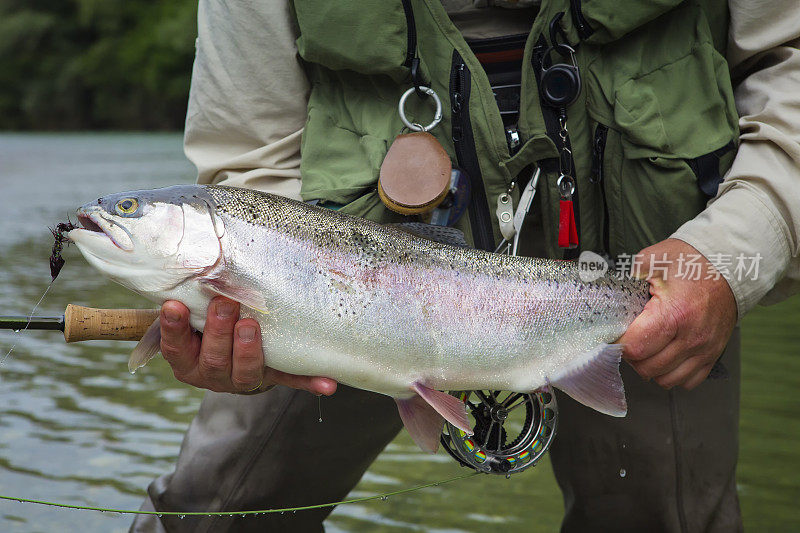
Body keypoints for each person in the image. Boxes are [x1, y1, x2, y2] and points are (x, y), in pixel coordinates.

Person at [131, 1, 800, 531]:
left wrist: (732, 250)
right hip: (352, 257)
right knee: (210, 514)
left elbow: (787, 61)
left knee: (663, 521)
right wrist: (258, 313)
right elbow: (250, 147)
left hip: (652, 243)